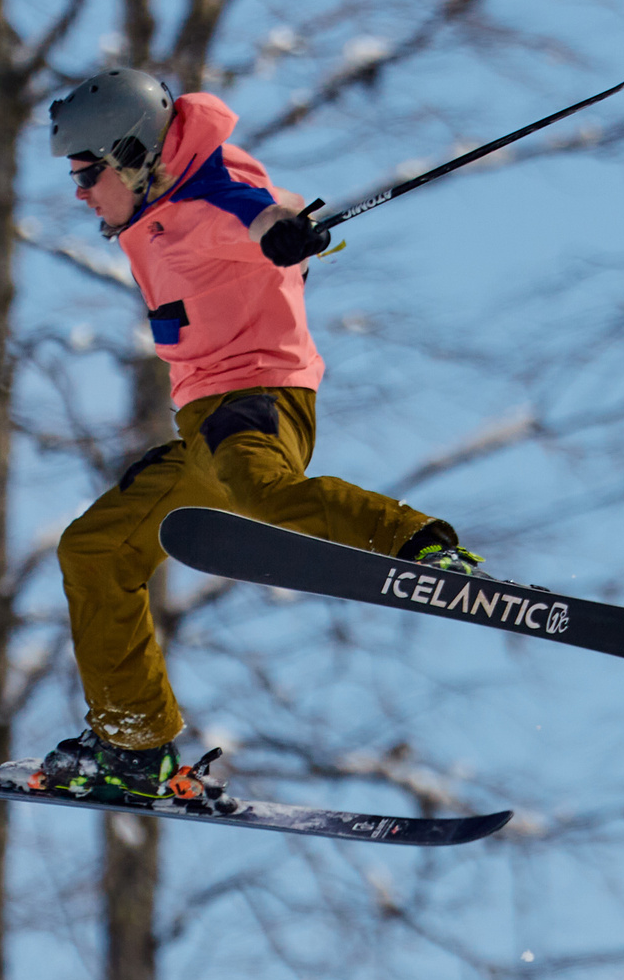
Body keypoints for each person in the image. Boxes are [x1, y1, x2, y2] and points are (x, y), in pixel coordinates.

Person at [25, 68, 486, 806]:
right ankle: (135, 744)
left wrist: (285, 232)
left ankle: (425, 548)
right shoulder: (150, 208)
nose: (78, 191)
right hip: (202, 424)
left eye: (86, 172)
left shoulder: (205, 190)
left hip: (259, 401)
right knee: (95, 549)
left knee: (262, 492)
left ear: (133, 154)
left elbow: (255, 211)